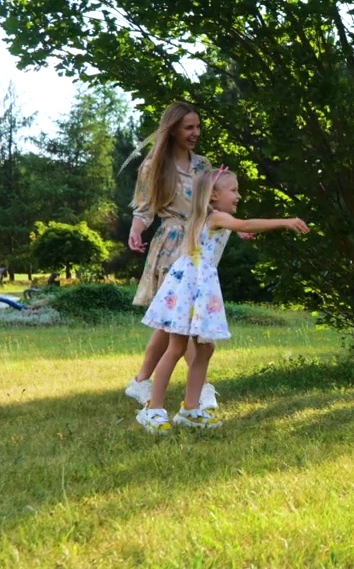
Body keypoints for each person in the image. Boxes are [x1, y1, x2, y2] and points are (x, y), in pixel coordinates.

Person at [136, 167, 310, 433]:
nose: (238, 196)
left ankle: (191, 410)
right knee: (176, 348)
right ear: (213, 195)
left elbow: (229, 228)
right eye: (233, 190)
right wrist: (285, 221)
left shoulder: (208, 217)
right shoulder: (216, 216)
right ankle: (152, 410)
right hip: (191, 288)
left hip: (196, 287)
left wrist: (237, 232)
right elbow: (243, 223)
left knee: (205, 349)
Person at [122, 102, 220, 410]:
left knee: (170, 323)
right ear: (173, 129)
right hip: (171, 245)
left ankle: (140, 383)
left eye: (198, 127)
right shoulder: (154, 166)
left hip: (199, 246)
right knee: (183, 320)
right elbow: (144, 208)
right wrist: (136, 231)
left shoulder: (203, 165)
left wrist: (234, 228)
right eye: (189, 127)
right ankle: (200, 389)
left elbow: (211, 207)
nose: (195, 133)